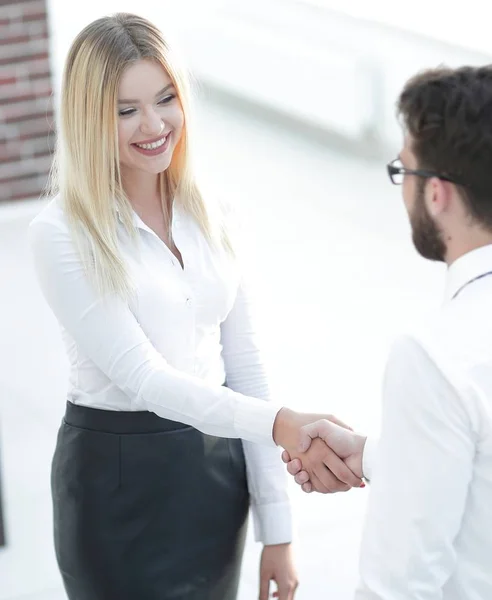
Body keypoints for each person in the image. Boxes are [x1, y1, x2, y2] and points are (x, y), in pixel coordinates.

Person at [28, 13, 363, 600]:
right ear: (88, 117)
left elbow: (246, 364)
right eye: (125, 109)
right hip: (116, 482)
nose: (154, 124)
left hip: (214, 473)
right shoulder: (60, 233)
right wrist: (285, 425)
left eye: (165, 98)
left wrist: (278, 530)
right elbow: (144, 378)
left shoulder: (214, 209)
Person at [283, 65, 492, 599]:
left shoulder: (434, 358)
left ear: (438, 194)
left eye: (406, 173)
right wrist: (382, 455)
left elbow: (397, 585)